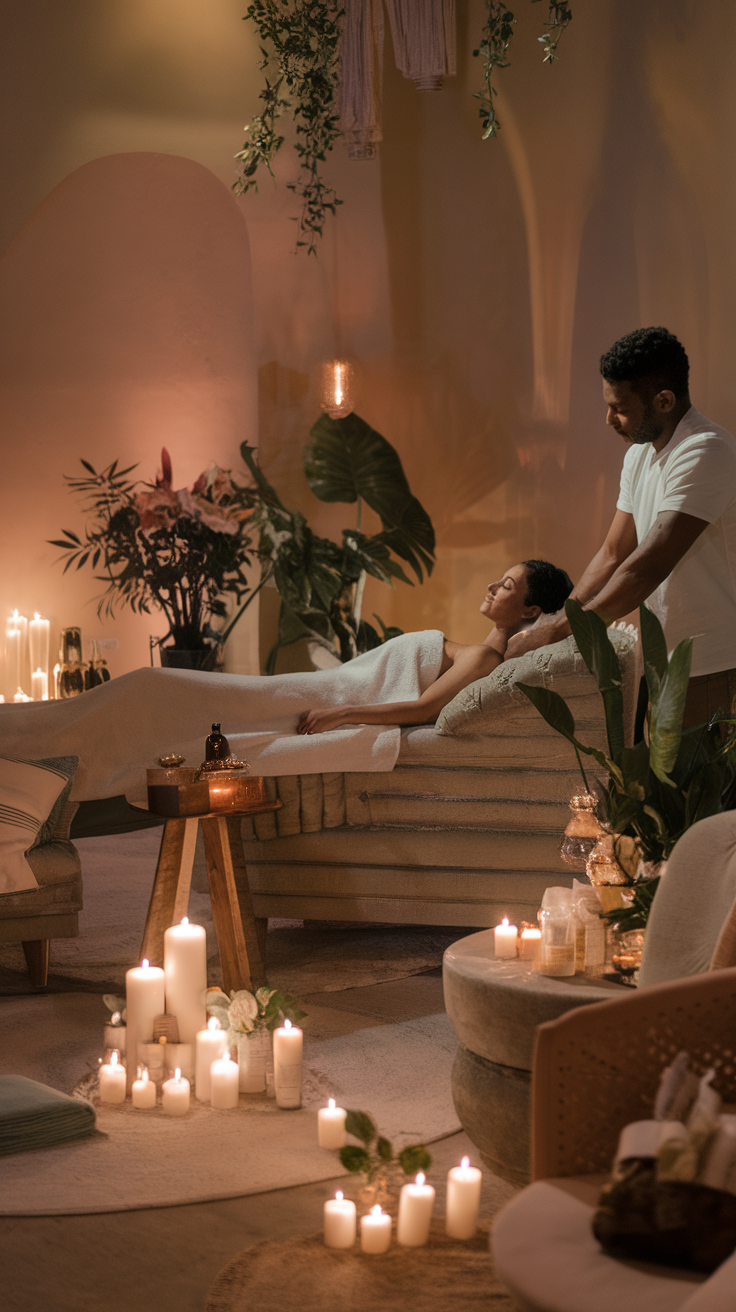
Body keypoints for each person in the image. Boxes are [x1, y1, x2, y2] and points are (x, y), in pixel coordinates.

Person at [505, 327, 736, 727]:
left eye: (620, 408)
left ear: (664, 400)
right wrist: (560, 618)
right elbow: (614, 553)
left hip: (710, 662)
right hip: (656, 659)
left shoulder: (705, 449)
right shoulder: (639, 456)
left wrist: (562, 631)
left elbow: (648, 563)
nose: (609, 419)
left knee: (701, 788)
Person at [297, 558, 572, 734]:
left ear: (529, 611)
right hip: (341, 682)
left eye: (506, 586)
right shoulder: (476, 653)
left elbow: (423, 709)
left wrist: (342, 714)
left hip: (337, 697)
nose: (492, 585)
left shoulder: (485, 659)